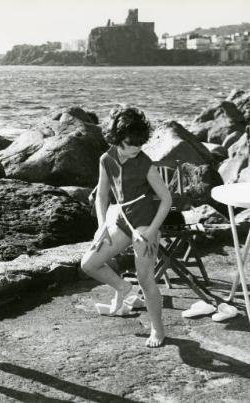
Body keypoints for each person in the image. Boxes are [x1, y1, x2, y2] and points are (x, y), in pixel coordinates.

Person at [81, 106, 171, 348]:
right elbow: (102, 196)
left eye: (141, 144)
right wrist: (101, 226)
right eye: (132, 144)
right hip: (121, 220)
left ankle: (157, 328)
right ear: (118, 139)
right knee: (88, 263)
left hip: (144, 222)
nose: (137, 149)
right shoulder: (106, 159)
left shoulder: (145, 163)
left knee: (146, 279)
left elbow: (166, 199)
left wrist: (152, 231)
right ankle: (122, 287)